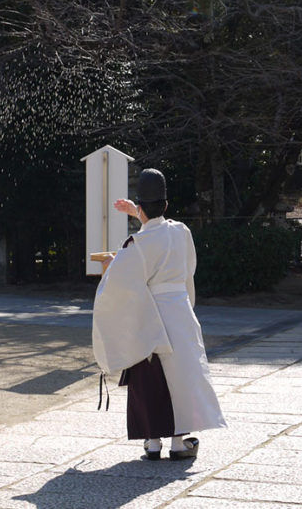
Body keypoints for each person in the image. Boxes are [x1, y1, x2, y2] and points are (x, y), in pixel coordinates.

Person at [92, 168, 226, 461]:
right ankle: (179, 442)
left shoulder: (135, 245)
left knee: (149, 377)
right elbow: (187, 269)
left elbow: (122, 280)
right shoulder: (182, 232)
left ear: (139, 207)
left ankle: (152, 442)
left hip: (149, 315)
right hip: (178, 310)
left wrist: (115, 262)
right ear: (166, 205)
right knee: (182, 375)